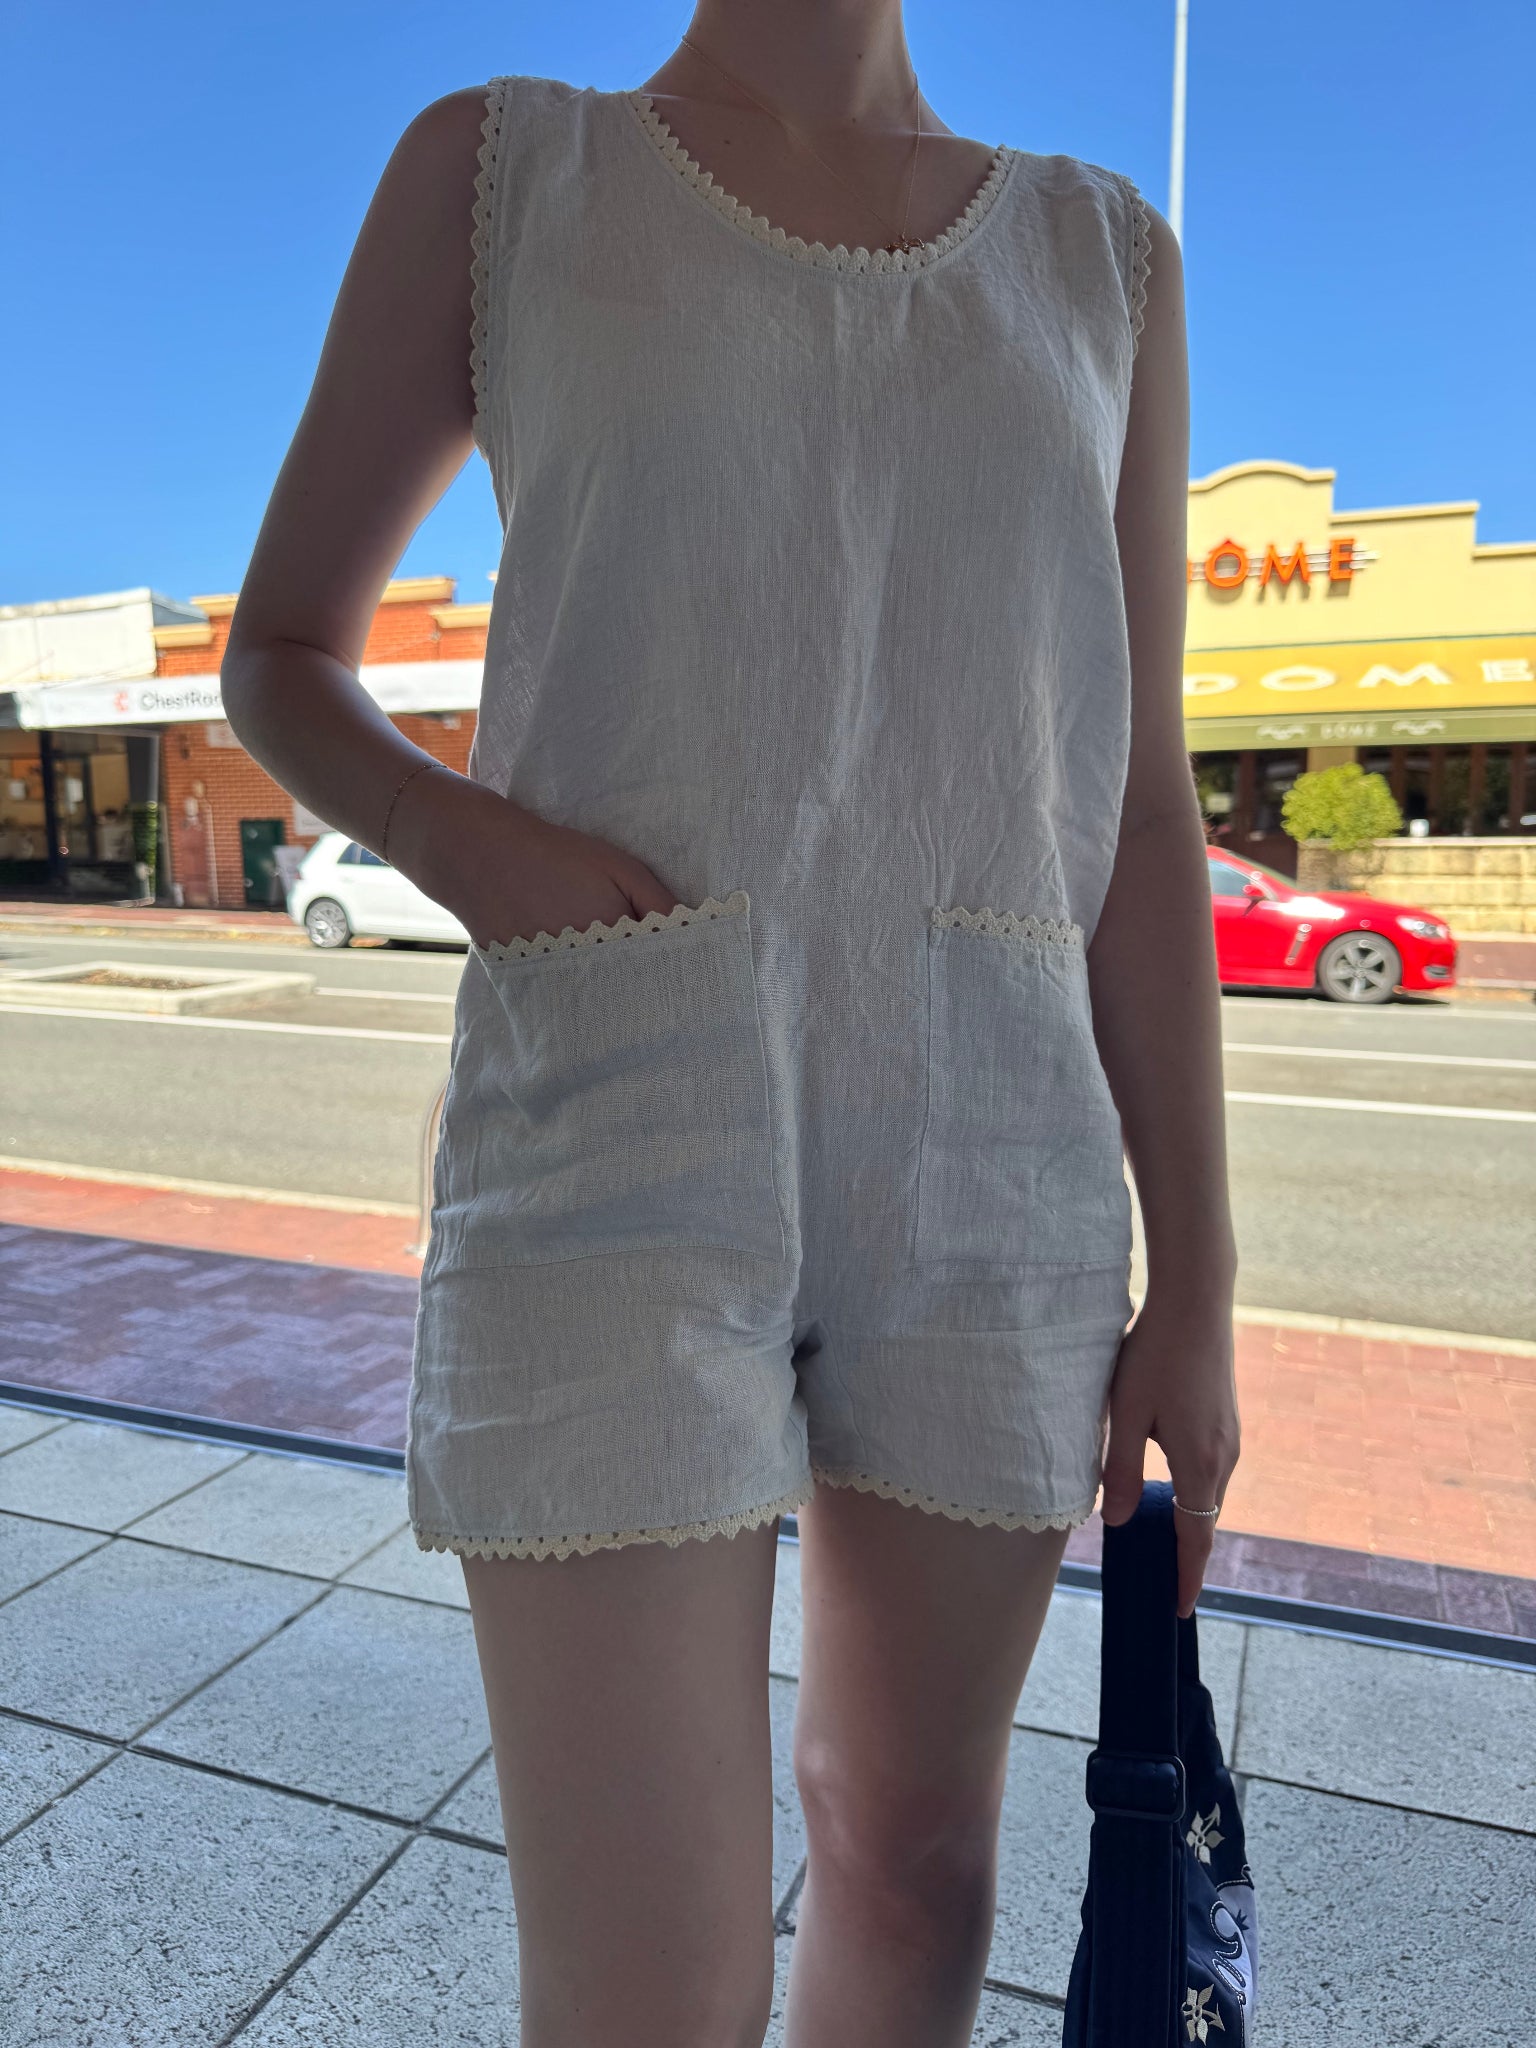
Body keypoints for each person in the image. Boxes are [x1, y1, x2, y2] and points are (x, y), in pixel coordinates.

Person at [220, 6, 1240, 2043]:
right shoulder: (510, 171)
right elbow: (282, 653)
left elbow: (1136, 803)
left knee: (915, 1855)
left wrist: (1200, 1276)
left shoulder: (1102, 256)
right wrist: (455, 835)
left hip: (994, 1146)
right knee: (644, 1986)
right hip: (613, 1118)